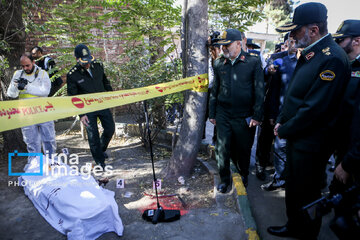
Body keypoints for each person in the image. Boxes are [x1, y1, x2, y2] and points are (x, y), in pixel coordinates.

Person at [267, 3, 351, 239]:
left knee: (309, 193)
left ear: (313, 30)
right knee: (294, 188)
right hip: (298, 137)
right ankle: (294, 225)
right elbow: (296, 93)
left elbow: (315, 108)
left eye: (295, 31)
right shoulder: (312, 52)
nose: (290, 36)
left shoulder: (332, 58)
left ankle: (308, 233)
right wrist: (282, 119)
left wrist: (286, 129)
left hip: (313, 143)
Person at [209, 29, 264, 192]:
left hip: (245, 115)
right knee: (222, 148)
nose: (223, 48)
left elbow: (259, 91)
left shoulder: (253, 62)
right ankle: (225, 179)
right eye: (222, 46)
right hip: (223, 113)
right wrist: (212, 113)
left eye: (227, 45)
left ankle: (243, 174)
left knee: (243, 148)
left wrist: (257, 115)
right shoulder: (219, 63)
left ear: (239, 44)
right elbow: (215, 90)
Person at [66, 44, 115, 169]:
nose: (87, 64)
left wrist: (111, 95)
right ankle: (99, 161)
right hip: (87, 110)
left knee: (110, 129)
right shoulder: (72, 74)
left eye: (89, 61)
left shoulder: (98, 66)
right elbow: (73, 97)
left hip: (102, 104)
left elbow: (105, 82)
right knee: (93, 135)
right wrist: (81, 115)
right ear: (77, 59)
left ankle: (101, 150)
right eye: (84, 62)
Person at [261, 37, 298, 191]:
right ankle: (280, 179)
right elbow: (274, 91)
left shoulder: (313, 63)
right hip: (283, 116)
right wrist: (272, 114)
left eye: (295, 41)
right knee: (280, 148)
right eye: (290, 40)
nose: (292, 44)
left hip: (304, 117)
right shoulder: (282, 62)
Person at [7, 53, 56, 158]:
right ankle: (35, 164)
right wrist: (16, 87)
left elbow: (45, 91)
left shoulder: (43, 74)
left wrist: (27, 87)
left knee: (49, 139)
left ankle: (51, 161)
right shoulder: (18, 74)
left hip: (43, 111)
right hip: (27, 113)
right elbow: (11, 94)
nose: (25, 68)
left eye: (27, 65)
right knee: (31, 142)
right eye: (22, 66)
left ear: (33, 62)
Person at [333, 19, 360, 184]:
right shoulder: (343, 65)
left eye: (340, 40)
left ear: (357, 41)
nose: (337, 44)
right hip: (341, 148)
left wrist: (349, 163)